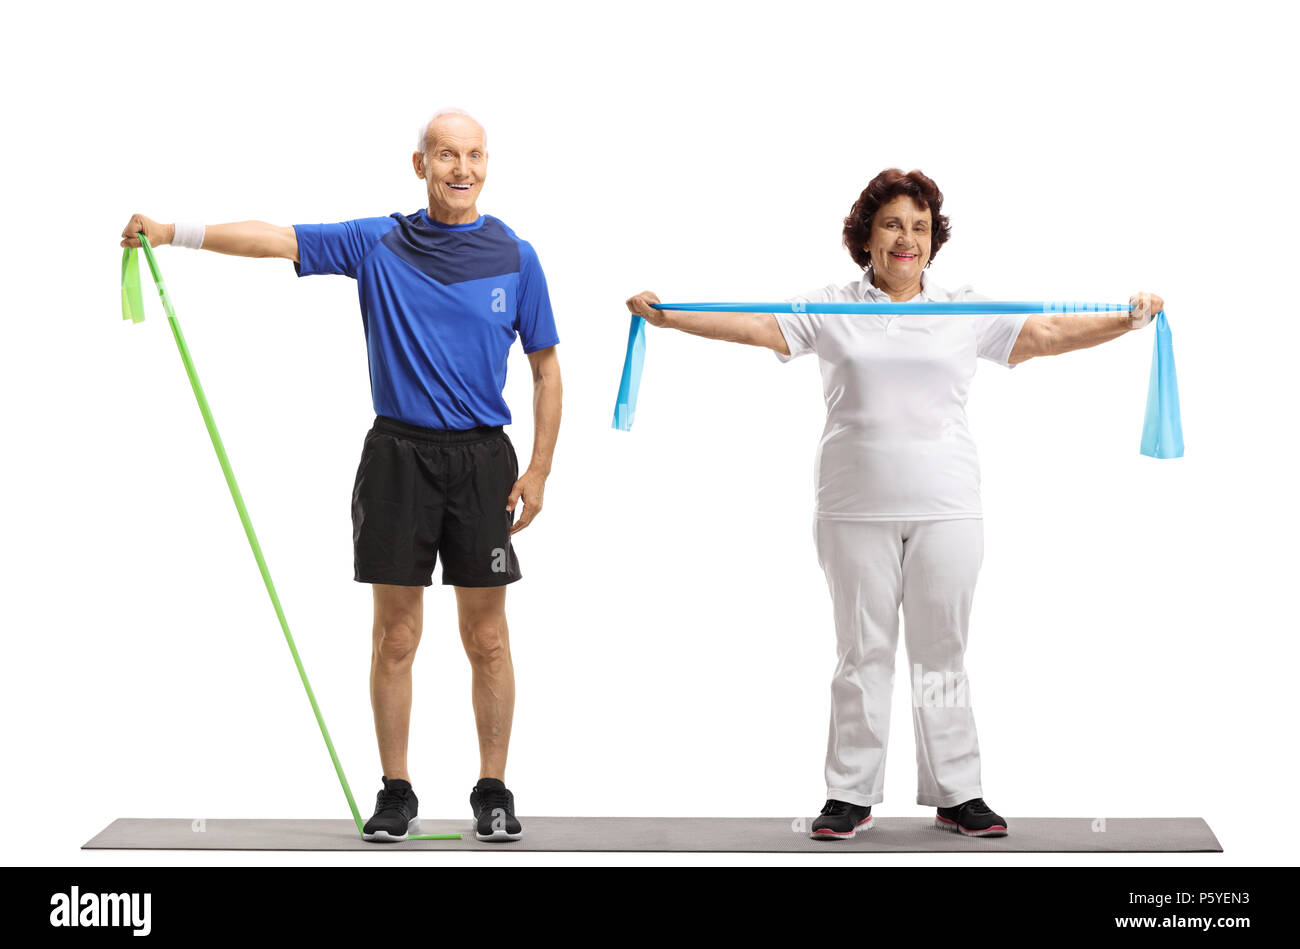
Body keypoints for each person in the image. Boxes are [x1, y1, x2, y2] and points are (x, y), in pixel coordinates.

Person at [626, 168, 1162, 839]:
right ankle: (849, 793)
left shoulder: (964, 308)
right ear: (867, 236)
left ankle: (957, 792)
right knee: (862, 653)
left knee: (943, 655)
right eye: (892, 225)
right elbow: (757, 326)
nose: (907, 238)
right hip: (853, 508)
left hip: (948, 507)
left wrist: (1129, 319)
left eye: (919, 226)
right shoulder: (832, 304)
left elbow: (1049, 335)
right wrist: (667, 316)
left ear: (934, 239)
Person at [121, 108, 562, 843]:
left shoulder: (517, 257)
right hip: (398, 456)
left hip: (485, 462)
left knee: (487, 638)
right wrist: (174, 233)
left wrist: (541, 468)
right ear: (419, 165)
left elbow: (546, 369)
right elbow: (278, 239)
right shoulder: (379, 242)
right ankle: (396, 791)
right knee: (395, 636)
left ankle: (493, 790)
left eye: (476, 155)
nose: (462, 169)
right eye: (446, 155)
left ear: (489, 164)